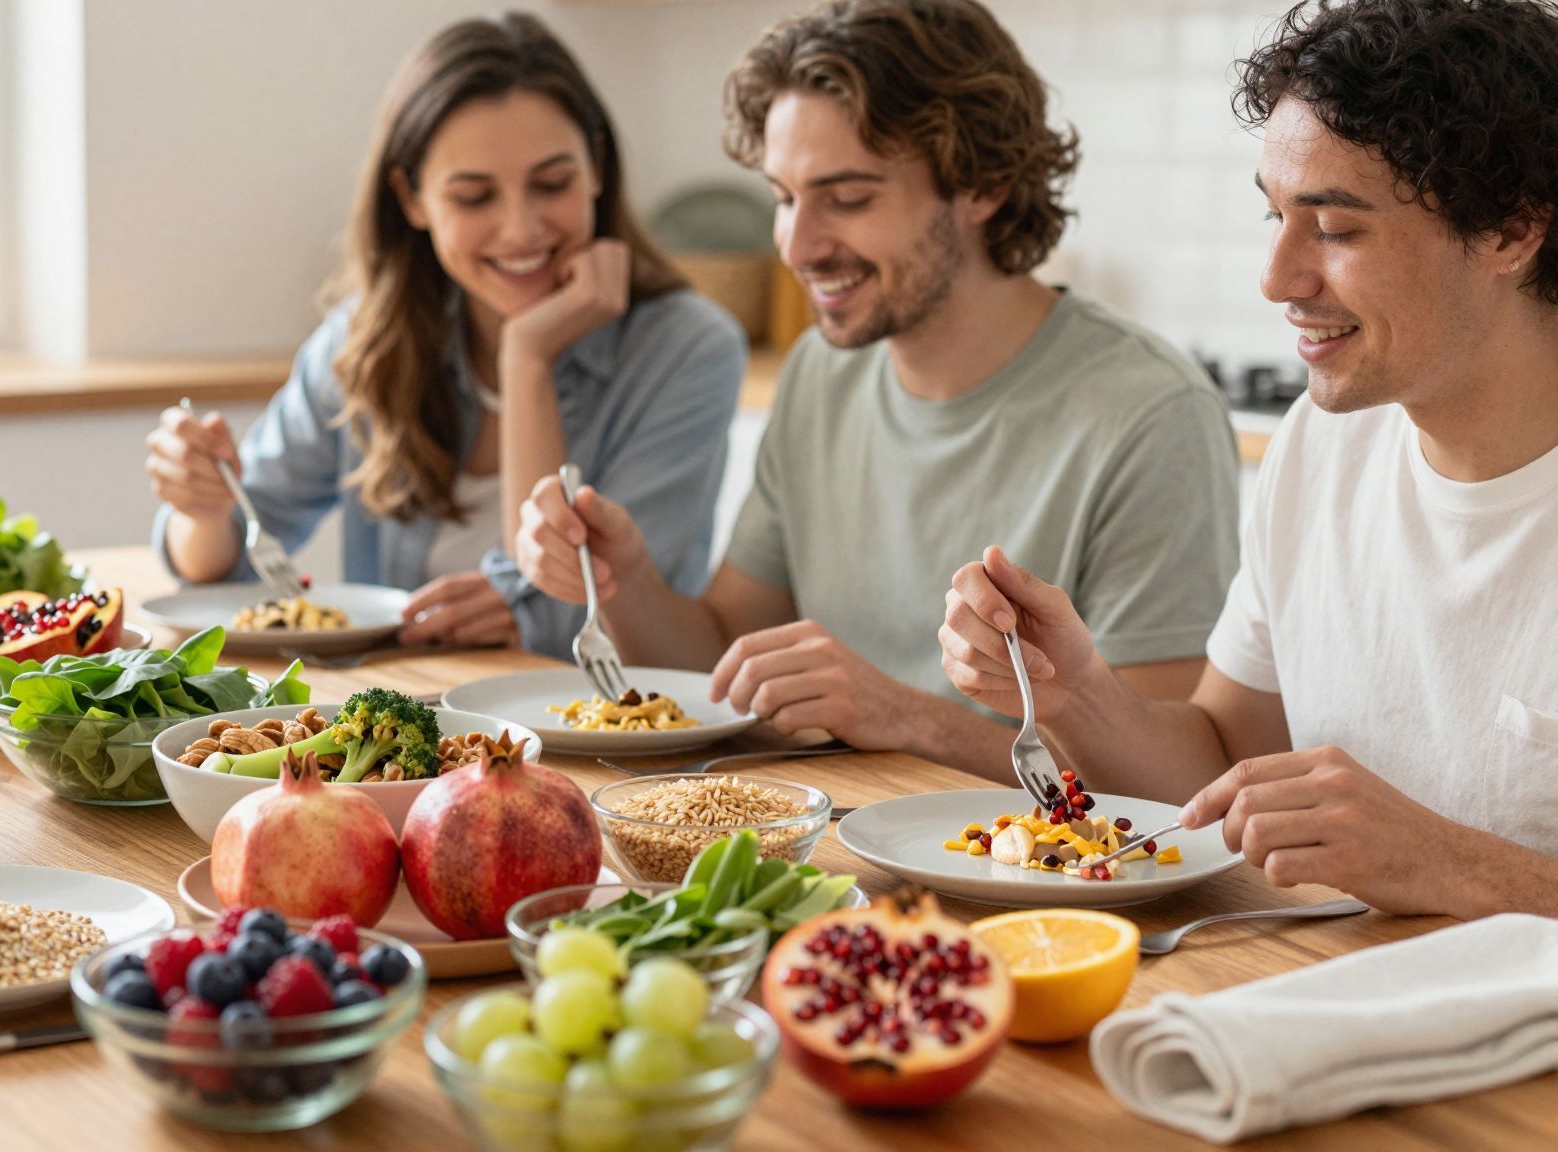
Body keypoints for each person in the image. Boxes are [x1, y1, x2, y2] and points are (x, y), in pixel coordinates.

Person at [940, 0, 1558, 917]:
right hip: (1314, 997)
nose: (1277, 279)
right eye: (1274, 216)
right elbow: (1227, 753)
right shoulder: (1323, 443)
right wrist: (1078, 698)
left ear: (1511, 230)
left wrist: (1447, 861)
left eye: (1336, 229)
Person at [514, 0, 1238, 778]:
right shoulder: (822, 373)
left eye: (849, 198)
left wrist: (904, 717)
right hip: (842, 851)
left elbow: (1163, 785)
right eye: (785, 198)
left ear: (983, 184)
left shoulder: (1149, 414)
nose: (797, 245)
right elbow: (721, 661)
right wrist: (623, 580)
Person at [146, 12, 744, 659]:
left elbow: (593, 614)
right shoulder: (368, 340)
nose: (520, 230)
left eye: (552, 183)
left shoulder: (688, 350)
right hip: (401, 732)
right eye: (473, 197)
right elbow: (220, 566)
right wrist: (202, 508)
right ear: (412, 198)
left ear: (596, 167)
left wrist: (527, 356)